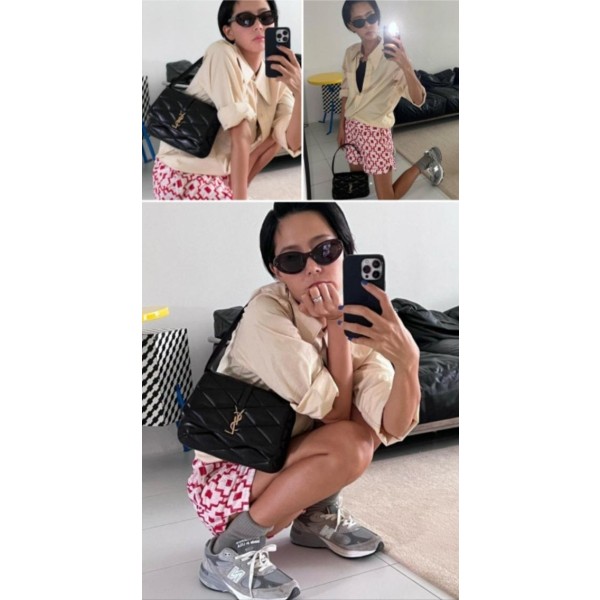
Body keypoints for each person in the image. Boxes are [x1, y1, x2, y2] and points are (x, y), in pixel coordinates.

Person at [187, 202, 422, 600]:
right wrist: (334, 324)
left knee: (365, 430)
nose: (313, 267)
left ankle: (315, 516)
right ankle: (230, 549)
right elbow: (335, 416)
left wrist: (408, 361)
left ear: (346, 250)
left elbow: (392, 424)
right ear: (276, 271)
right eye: (293, 260)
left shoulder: (359, 318)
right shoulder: (267, 313)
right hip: (228, 483)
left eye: (325, 250)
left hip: (279, 469)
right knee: (349, 441)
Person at [152, 0, 301, 200]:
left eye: (266, 17)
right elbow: (240, 134)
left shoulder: (276, 77)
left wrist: (299, 92)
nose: (259, 26)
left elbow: (290, 141)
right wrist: (240, 201)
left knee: (274, 137)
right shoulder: (221, 52)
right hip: (184, 170)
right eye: (246, 19)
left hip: (223, 172)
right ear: (229, 31)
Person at [338, 0, 444, 200]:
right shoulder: (350, 53)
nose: (367, 25)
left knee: (387, 198)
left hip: (377, 132)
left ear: (378, 17)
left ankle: (424, 162)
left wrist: (406, 66)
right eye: (359, 22)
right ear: (351, 26)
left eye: (371, 17)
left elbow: (418, 99)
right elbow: (345, 90)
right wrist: (341, 126)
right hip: (352, 127)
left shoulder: (395, 59)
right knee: (358, 184)